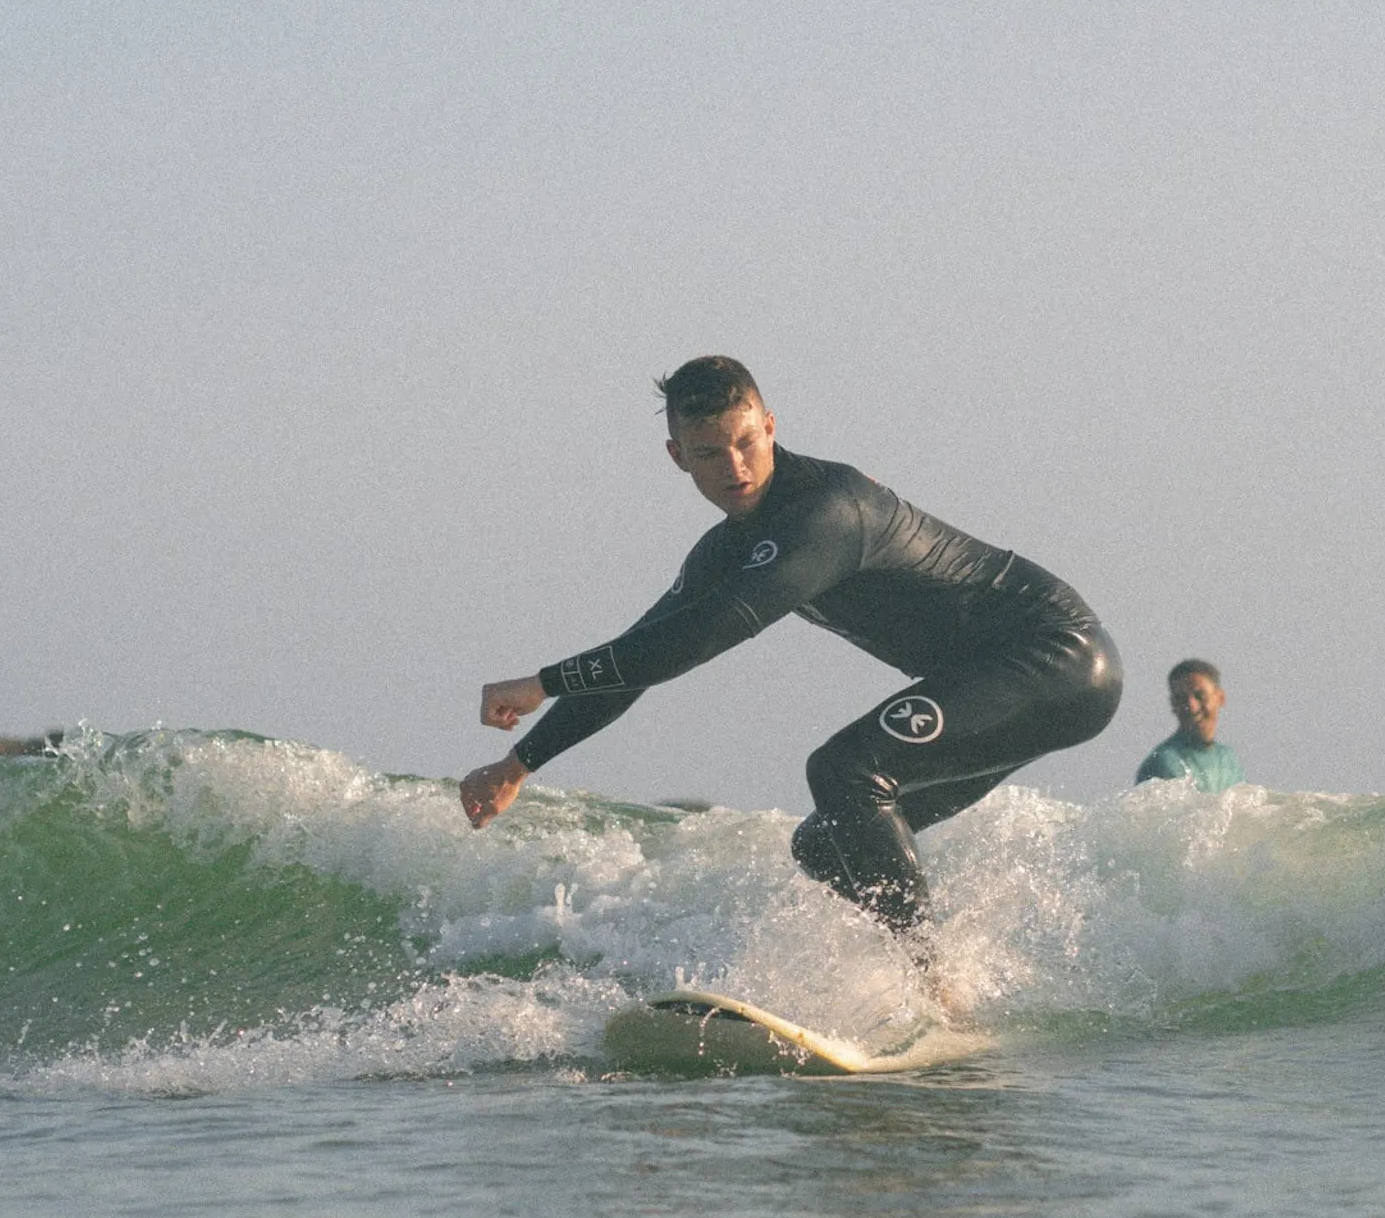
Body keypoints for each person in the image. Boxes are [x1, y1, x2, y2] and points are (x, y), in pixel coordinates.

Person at [462, 356, 1122, 936]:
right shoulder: (727, 551)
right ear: (677, 456)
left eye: (747, 442)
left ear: (771, 425)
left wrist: (544, 681)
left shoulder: (827, 514)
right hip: (996, 683)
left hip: (1056, 658)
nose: (736, 467)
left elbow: (706, 634)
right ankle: (906, 981)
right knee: (826, 844)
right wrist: (519, 765)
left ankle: (933, 981)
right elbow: (641, 660)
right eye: (710, 453)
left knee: (844, 771)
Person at [1133, 658, 1243, 791]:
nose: (1192, 706)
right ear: (1173, 705)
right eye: (1181, 698)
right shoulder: (1162, 762)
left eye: (1200, 696)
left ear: (1220, 698)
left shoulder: (1229, 760)